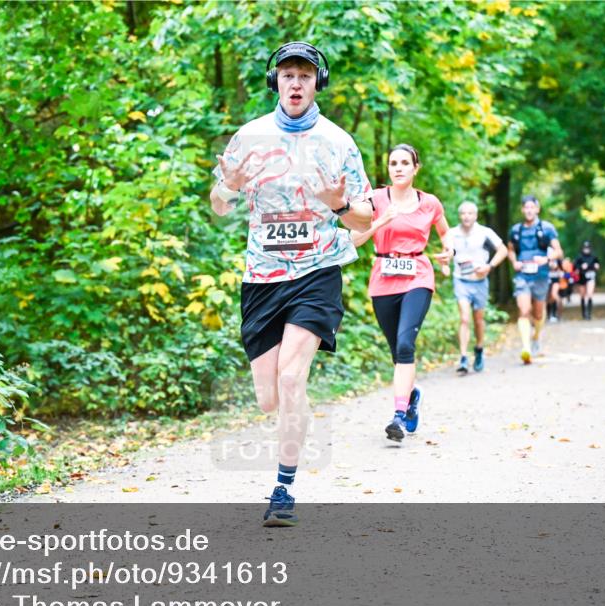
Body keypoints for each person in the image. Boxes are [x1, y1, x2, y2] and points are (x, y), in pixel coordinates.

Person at [211, 41, 373, 527]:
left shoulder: (339, 142)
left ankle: (283, 488)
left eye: (305, 75)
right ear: (275, 82)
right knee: (269, 397)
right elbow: (219, 205)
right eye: (287, 75)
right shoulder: (249, 136)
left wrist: (339, 205)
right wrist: (230, 187)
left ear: (317, 83)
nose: (296, 83)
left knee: (290, 377)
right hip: (262, 276)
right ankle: (295, 419)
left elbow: (366, 216)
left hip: (316, 272)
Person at [350, 144, 451, 441]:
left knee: (406, 343)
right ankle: (411, 395)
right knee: (397, 352)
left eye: (405, 162)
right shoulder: (375, 200)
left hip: (418, 276)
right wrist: (380, 220)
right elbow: (355, 240)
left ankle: (398, 415)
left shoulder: (430, 203)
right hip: (383, 278)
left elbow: (446, 232)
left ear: (415, 168)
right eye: (393, 162)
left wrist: (450, 251)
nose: (398, 167)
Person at [445, 201, 507, 375]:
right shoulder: (452, 233)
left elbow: (502, 250)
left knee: (478, 320)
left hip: (480, 281)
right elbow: (446, 253)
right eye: (463, 213)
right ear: (459, 216)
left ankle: (479, 349)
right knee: (464, 318)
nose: (466, 216)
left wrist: (489, 266)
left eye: (470, 213)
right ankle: (463, 357)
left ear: (476, 216)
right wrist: (444, 264)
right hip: (461, 280)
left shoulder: (484, 233)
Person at [507, 195, 563, 364]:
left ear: (537, 209)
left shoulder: (547, 228)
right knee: (524, 310)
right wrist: (514, 261)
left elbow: (558, 251)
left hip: (541, 274)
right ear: (522, 210)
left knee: (538, 312)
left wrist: (546, 259)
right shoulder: (516, 230)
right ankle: (526, 348)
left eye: (532, 207)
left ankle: (536, 337)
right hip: (522, 275)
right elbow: (510, 249)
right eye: (526, 207)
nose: (529, 210)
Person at [574, 241, 600, 320]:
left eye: (588, 248)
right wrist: (581, 267)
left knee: (589, 294)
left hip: (591, 276)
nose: (586, 250)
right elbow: (575, 267)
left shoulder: (594, 257)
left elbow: (597, 264)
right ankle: (583, 313)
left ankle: (589, 313)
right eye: (585, 248)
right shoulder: (579, 257)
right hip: (582, 277)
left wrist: (597, 266)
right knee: (582, 295)